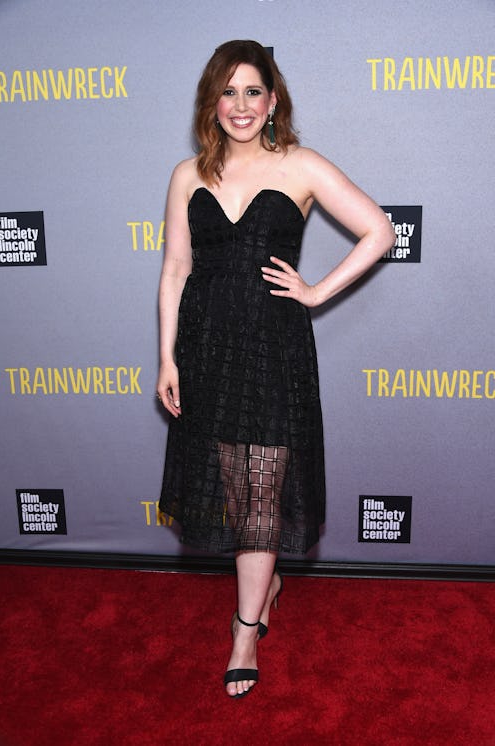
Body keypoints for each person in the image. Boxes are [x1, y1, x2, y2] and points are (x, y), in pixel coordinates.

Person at [156, 40, 395, 699]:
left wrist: (315, 292)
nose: (240, 104)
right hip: (206, 348)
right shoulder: (187, 174)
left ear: (273, 100)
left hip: (272, 349)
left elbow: (379, 230)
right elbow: (175, 268)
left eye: (252, 91)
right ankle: (266, 585)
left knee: (262, 491)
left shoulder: (301, 165)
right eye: (227, 91)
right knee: (238, 491)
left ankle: (244, 632)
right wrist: (167, 356)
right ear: (212, 101)